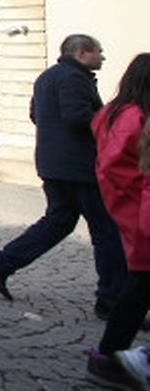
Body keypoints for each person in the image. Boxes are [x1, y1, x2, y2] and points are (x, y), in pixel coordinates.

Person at [0, 34, 126, 318]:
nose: (102, 57)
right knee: (106, 231)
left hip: (53, 164)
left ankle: (1, 262)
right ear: (82, 53)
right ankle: (112, 299)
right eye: (99, 51)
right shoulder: (73, 78)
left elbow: (36, 114)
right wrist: (110, 118)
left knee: (58, 222)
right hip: (79, 168)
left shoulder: (47, 77)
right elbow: (77, 116)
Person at [85, 54, 150, 388]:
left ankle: (111, 354)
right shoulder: (132, 116)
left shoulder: (114, 111)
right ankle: (112, 354)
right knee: (138, 284)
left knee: (139, 285)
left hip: (131, 204)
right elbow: (114, 164)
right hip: (135, 205)